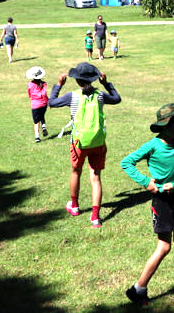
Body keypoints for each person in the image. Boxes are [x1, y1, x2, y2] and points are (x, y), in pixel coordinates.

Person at [121, 104, 174, 306]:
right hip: (161, 201)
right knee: (164, 246)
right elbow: (126, 163)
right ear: (166, 125)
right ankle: (138, 289)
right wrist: (147, 183)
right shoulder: (153, 145)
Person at [49, 62, 121, 228]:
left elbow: (51, 103)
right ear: (94, 79)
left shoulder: (72, 96)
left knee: (76, 171)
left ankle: (74, 206)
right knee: (95, 178)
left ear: (77, 80)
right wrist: (106, 84)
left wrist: (58, 86)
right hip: (98, 142)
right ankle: (95, 217)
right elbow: (117, 99)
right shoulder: (101, 95)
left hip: (79, 142)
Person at [26, 66, 49, 143]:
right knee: (42, 115)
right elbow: (45, 94)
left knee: (36, 122)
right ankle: (44, 126)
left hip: (35, 105)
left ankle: (37, 137)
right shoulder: (44, 83)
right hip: (44, 103)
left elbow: (30, 94)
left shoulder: (30, 84)